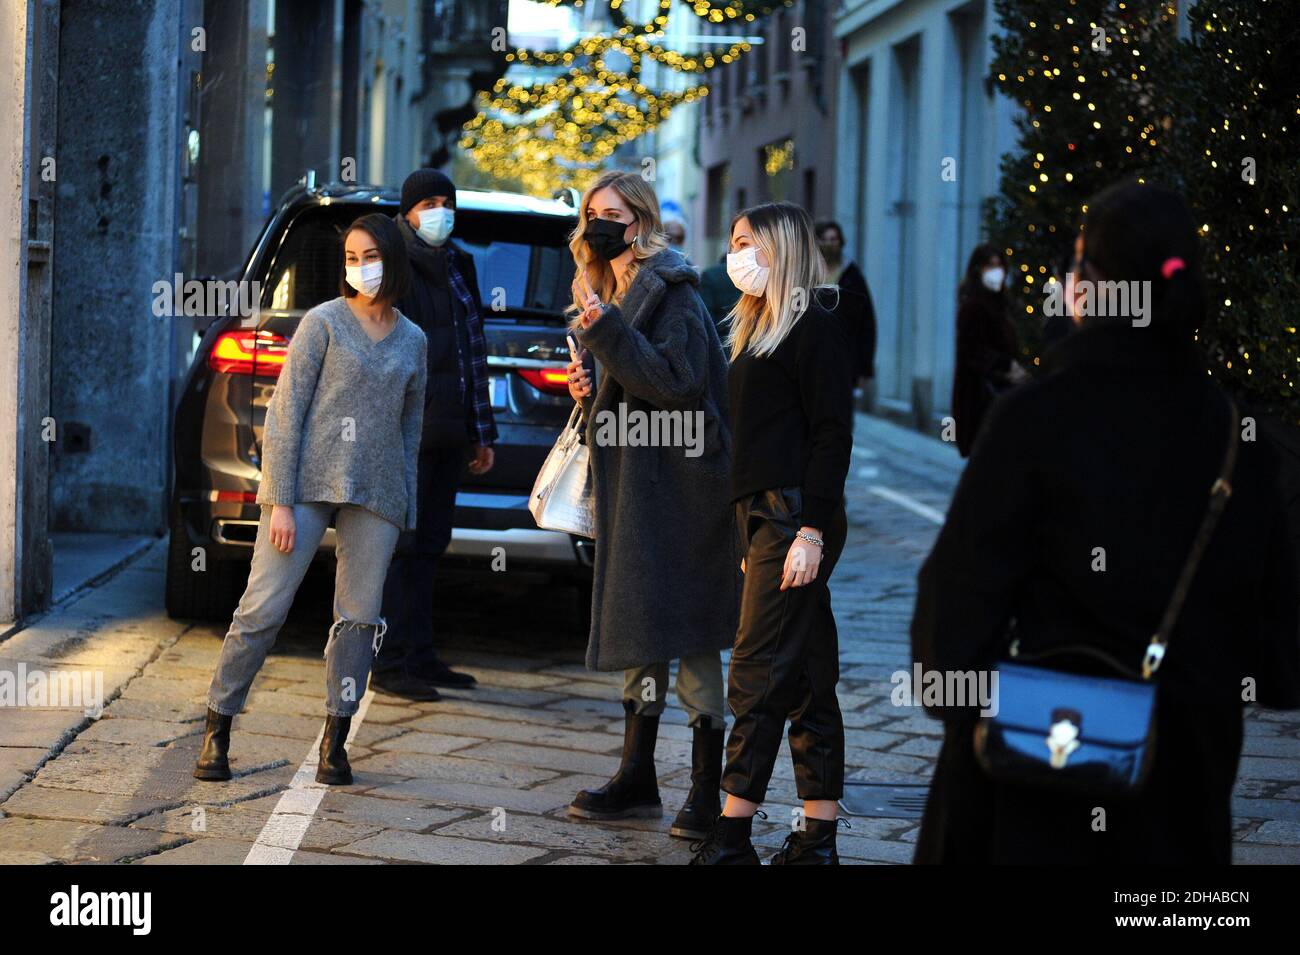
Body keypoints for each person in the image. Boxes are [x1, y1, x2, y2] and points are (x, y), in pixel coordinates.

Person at [911, 181, 1300, 864]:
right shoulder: (1246, 443)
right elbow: (1282, 665)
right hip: (1179, 814)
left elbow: (948, 635)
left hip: (1027, 799)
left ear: (1089, 284)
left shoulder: (1033, 420)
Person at [195, 214, 426, 786]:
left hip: (378, 495)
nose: (359, 267)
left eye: (369, 255)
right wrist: (276, 501)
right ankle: (217, 727)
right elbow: (285, 414)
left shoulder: (414, 340)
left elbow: (409, 431)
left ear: (392, 259)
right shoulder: (322, 323)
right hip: (302, 487)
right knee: (262, 609)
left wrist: (407, 510)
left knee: (359, 619)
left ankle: (335, 740)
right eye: (350, 257)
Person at [562, 170, 738, 841]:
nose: (598, 223)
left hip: (687, 493)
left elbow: (678, 384)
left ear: (638, 222)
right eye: (590, 213)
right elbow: (630, 392)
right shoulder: (611, 290)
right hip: (639, 489)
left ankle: (704, 792)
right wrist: (588, 390)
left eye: (612, 212)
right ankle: (637, 776)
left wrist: (605, 335)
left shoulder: (674, 292)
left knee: (691, 640)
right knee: (640, 635)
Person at [691, 202, 855, 865]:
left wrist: (809, 529)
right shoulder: (755, 326)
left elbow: (831, 433)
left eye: (746, 243)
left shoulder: (814, 325)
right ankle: (818, 837)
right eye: (731, 243)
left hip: (793, 516)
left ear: (781, 247)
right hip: (765, 515)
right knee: (810, 674)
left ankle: (732, 834)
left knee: (755, 671)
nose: (735, 256)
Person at [372, 169, 497, 701]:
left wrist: (479, 432)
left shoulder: (458, 264)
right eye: (428, 201)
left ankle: (420, 656)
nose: (439, 211)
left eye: (447, 201)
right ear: (407, 210)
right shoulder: (392, 264)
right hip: (404, 433)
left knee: (429, 547)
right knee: (398, 549)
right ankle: (389, 661)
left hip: (448, 432)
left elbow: (471, 356)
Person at [951, 243, 1028, 457]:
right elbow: (970, 351)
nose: (996, 271)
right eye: (989, 266)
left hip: (997, 392)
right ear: (978, 269)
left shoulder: (1001, 305)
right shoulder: (973, 306)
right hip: (981, 396)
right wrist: (1006, 366)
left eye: (999, 265)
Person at [815, 221, 877, 382]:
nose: (829, 244)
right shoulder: (809, 273)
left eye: (833, 239)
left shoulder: (851, 275)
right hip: (813, 353)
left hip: (844, 356)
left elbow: (866, 320)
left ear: (840, 242)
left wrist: (865, 366)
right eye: (824, 239)